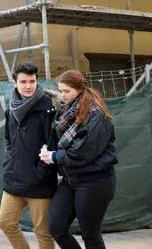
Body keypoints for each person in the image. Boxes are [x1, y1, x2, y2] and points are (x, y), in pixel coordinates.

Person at [39, 70, 117, 249]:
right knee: (56, 227)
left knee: (90, 234)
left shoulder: (96, 115)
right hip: (70, 179)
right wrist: (49, 151)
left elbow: (81, 154)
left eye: (67, 91)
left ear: (79, 90)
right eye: (61, 91)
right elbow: (63, 142)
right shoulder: (68, 112)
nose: (62, 95)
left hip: (95, 181)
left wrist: (53, 156)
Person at [0, 62, 58, 249]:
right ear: (15, 83)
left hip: (39, 183)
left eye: (32, 81)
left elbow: (52, 145)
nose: (28, 86)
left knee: (43, 233)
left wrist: (39, 174)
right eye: (23, 81)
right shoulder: (11, 108)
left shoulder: (47, 108)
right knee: (6, 223)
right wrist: (9, 163)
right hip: (13, 179)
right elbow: (8, 139)